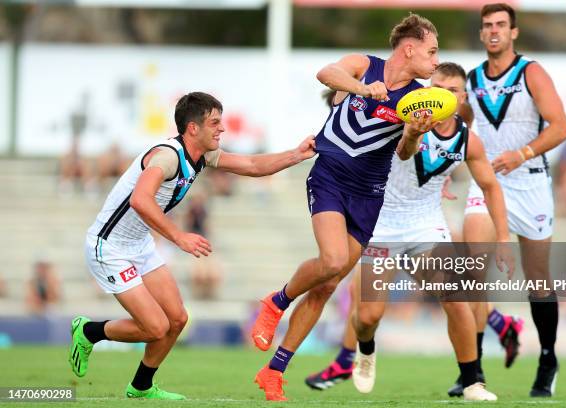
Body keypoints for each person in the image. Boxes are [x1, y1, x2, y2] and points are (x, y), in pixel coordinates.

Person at [69, 92, 316, 400]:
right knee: (156, 327)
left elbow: (252, 165)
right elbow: (140, 199)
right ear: (192, 128)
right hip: (109, 247)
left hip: (139, 244)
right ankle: (88, 332)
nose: (221, 129)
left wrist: (297, 154)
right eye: (214, 122)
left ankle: (141, 387)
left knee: (177, 320)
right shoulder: (167, 156)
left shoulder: (202, 156)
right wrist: (179, 236)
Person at [250, 14, 440, 401]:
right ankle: (276, 301)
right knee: (333, 259)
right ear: (410, 48)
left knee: (328, 285)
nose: (436, 61)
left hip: (369, 194)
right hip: (330, 177)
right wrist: (362, 88)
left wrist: (415, 134)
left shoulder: (419, 98)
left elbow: (404, 153)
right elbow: (326, 73)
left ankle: (274, 370)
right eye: (432, 51)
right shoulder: (363, 65)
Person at [306, 67, 520, 397]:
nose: (444, 95)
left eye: (452, 90)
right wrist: (410, 134)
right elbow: (402, 151)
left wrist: (504, 238)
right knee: (367, 316)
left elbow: (490, 186)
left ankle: (473, 380)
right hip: (380, 225)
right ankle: (365, 348)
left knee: (456, 298)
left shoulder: (467, 140)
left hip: (425, 225)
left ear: (462, 97)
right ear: (424, 90)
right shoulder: (400, 119)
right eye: (437, 87)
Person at [458, 3, 566, 398]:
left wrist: (521, 154)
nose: (493, 31)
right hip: (488, 185)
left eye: (501, 25)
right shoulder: (470, 80)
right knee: (471, 269)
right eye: (487, 25)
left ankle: (547, 358)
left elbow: (561, 127)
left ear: (514, 33)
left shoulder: (531, 72)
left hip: (531, 183)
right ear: (481, 32)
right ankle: (472, 372)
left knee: (538, 283)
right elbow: (456, 134)